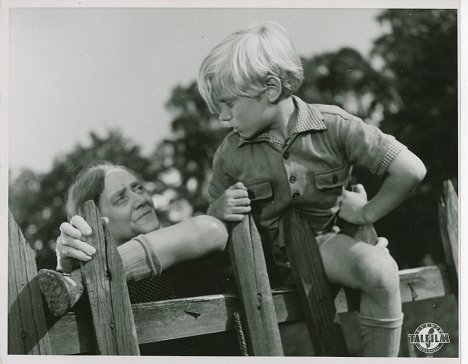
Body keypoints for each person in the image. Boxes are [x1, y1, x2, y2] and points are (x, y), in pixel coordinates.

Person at [197, 21, 427, 357]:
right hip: (261, 270)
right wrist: (217, 212)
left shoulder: (334, 126)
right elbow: (212, 226)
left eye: (229, 103)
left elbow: (411, 169)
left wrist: (367, 212)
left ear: (271, 89)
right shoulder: (229, 155)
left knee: (380, 270)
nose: (222, 117)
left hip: (326, 248)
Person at [38, 162, 229, 320]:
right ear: (95, 220)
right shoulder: (100, 297)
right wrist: (65, 270)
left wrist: (79, 278)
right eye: (121, 198)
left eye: (138, 188)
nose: (141, 199)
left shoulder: (188, 252)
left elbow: (212, 231)